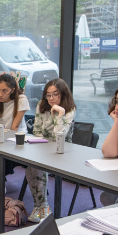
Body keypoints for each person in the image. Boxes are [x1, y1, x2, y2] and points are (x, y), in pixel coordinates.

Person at [26, 79, 76, 222]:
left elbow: (59, 137)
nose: (51, 98)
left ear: (63, 94)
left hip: (63, 152)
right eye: (48, 95)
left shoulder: (70, 109)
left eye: (55, 94)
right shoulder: (42, 106)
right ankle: (41, 206)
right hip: (43, 149)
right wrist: (45, 140)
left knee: (37, 168)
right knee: (30, 168)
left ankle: (43, 207)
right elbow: (36, 130)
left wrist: (59, 114)